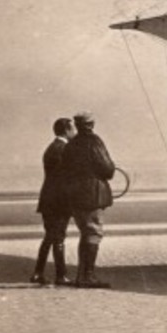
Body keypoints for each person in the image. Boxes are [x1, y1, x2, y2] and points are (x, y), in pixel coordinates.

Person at [61, 111, 118, 289]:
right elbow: (107, 169)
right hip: (92, 195)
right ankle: (88, 276)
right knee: (93, 233)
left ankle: (82, 275)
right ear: (91, 125)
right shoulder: (94, 141)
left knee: (85, 233)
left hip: (75, 195)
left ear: (77, 126)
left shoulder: (70, 145)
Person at [30, 117, 76, 285]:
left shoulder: (52, 148)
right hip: (59, 201)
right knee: (58, 237)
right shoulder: (63, 149)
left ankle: (38, 273)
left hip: (48, 199)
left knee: (50, 237)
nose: (75, 133)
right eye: (73, 130)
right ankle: (60, 275)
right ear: (67, 130)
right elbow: (67, 177)